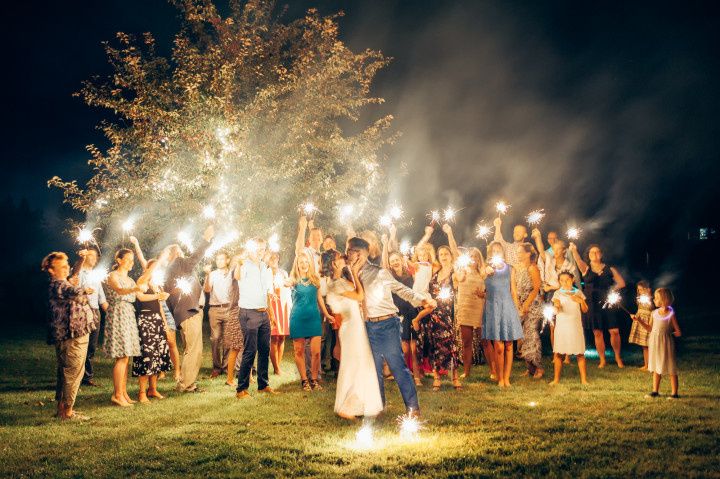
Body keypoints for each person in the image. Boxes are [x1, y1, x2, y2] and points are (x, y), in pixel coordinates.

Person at [347, 237, 436, 416]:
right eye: (349, 252)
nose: (351, 256)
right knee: (373, 369)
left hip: (387, 324)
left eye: (354, 252)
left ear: (363, 254)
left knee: (397, 366)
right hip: (368, 326)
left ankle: (413, 407)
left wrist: (423, 299)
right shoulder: (350, 274)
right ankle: (377, 406)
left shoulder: (379, 272)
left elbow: (400, 289)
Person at [322, 249, 384, 419]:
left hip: (357, 325)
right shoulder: (335, 284)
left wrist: (352, 273)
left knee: (363, 362)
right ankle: (346, 407)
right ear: (334, 263)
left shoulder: (341, 280)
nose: (344, 258)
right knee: (354, 364)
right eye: (340, 257)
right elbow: (359, 295)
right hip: (350, 328)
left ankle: (361, 403)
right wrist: (354, 273)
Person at [43, 252, 96, 420]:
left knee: (66, 372)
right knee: (73, 372)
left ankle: (62, 409)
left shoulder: (63, 281)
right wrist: (84, 289)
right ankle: (67, 412)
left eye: (67, 265)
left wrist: (81, 259)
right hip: (72, 336)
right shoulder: (58, 285)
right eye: (63, 267)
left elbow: (74, 273)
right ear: (51, 270)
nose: (67, 269)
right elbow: (70, 289)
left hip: (72, 334)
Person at [164, 224, 215, 392]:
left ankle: (186, 382)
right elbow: (195, 258)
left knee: (189, 349)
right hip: (188, 312)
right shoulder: (178, 264)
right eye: (179, 251)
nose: (181, 253)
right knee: (194, 349)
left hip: (183, 313)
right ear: (174, 255)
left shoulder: (170, 272)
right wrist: (206, 239)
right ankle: (186, 384)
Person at [129, 237, 181, 381]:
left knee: (171, 342)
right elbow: (141, 258)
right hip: (153, 312)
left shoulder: (161, 277)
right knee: (157, 343)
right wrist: (137, 244)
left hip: (165, 312)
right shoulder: (145, 279)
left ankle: (177, 371)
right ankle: (160, 371)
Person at [570, 243, 626, 368]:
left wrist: (612, 290)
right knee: (598, 332)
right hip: (592, 303)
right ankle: (602, 360)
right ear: (588, 255)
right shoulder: (586, 269)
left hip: (607, 303)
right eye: (591, 252)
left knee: (614, 331)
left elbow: (621, 283)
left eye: (597, 252)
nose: (594, 254)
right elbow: (578, 260)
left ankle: (618, 357)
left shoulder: (609, 269)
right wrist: (574, 250)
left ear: (601, 254)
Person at [235, 238, 278, 399]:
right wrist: (239, 263)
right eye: (258, 248)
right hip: (249, 312)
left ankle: (263, 384)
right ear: (251, 248)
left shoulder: (265, 267)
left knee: (264, 349)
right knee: (250, 350)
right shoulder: (244, 264)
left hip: (263, 313)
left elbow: (268, 288)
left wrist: (271, 300)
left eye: (263, 248)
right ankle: (241, 389)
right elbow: (238, 276)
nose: (261, 251)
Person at [104, 248, 144, 406]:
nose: (131, 262)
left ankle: (123, 392)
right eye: (127, 259)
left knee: (126, 356)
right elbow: (119, 291)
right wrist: (135, 289)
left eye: (132, 260)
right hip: (118, 314)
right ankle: (117, 395)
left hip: (128, 314)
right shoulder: (113, 276)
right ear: (119, 260)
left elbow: (139, 296)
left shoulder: (131, 280)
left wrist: (157, 295)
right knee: (121, 356)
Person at [289, 250, 334, 390]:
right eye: (301, 262)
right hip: (298, 318)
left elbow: (319, 298)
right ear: (297, 265)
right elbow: (287, 282)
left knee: (316, 352)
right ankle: (304, 380)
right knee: (299, 351)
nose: (304, 264)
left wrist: (326, 314)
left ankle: (314, 380)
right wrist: (286, 283)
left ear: (310, 263)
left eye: (306, 262)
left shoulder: (315, 278)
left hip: (314, 318)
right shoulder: (294, 279)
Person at [482, 241, 524, 387]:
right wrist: (485, 273)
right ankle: (500, 378)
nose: (496, 253)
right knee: (498, 346)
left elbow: (513, 290)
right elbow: (480, 286)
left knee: (508, 345)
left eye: (498, 251)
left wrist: (517, 308)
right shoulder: (486, 270)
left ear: (502, 253)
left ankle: (507, 378)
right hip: (493, 308)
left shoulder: (510, 269)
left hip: (507, 308)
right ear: (490, 254)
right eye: (493, 251)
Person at [132, 260, 172, 402]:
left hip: (157, 320)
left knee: (157, 355)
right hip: (145, 320)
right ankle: (142, 392)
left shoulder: (155, 284)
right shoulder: (141, 280)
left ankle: (153, 389)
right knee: (146, 355)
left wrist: (165, 324)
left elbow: (160, 306)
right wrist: (157, 295)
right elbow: (141, 297)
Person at [454, 247, 496, 381]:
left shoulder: (484, 273)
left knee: (485, 341)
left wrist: (483, 294)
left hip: (480, 309)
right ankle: (466, 371)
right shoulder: (462, 271)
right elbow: (455, 252)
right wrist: (449, 233)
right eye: (471, 256)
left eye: (476, 256)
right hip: (465, 308)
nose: (473, 259)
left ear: (479, 259)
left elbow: (494, 291)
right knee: (466, 342)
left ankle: (493, 370)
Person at [427, 244, 462, 390]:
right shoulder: (436, 271)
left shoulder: (454, 272)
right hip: (434, 312)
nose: (443, 256)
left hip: (447, 313)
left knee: (450, 345)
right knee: (435, 345)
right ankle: (437, 377)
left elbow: (460, 279)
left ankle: (455, 378)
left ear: (451, 255)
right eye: (441, 254)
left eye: (446, 254)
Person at [387, 250, 423, 386]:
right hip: (399, 313)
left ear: (401, 260)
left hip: (412, 312)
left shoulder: (410, 275)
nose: (395, 262)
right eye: (392, 261)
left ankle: (417, 377)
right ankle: (403, 374)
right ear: (390, 264)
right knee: (404, 347)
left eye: (397, 259)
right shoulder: (390, 278)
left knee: (414, 348)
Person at [74, 247, 109, 387]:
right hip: (82, 311)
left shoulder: (96, 275)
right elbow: (73, 287)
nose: (94, 258)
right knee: (81, 344)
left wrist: (112, 313)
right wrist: (83, 291)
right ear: (85, 256)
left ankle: (87, 377)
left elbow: (102, 298)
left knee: (92, 346)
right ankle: (78, 375)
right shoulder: (78, 272)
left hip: (95, 312)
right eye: (91, 255)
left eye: (96, 256)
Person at [638, 288, 681, 399]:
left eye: (656, 298)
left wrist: (672, 333)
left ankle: (674, 393)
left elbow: (678, 331)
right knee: (656, 366)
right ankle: (655, 391)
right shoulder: (653, 313)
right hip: (655, 342)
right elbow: (649, 328)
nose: (653, 300)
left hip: (666, 343)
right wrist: (639, 321)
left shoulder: (671, 314)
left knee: (671, 366)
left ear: (663, 300)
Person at [550, 271, 589, 385]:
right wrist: (557, 306)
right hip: (562, 327)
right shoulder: (557, 293)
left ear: (572, 279)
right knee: (558, 353)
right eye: (561, 280)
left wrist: (581, 301)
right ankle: (556, 379)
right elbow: (555, 309)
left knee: (580, 354)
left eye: (567, 280)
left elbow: (585, 310)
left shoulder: (578, 292)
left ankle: (584, 380)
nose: (564, 282)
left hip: (575, 326)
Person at [514, 243, 544, 379]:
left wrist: (526, 304)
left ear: (527, 254)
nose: (518, 254)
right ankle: (530, 367)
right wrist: (519, 304)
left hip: (533, 305)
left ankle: (538, 367)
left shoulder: (533, 268)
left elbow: (536, 287)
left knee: (531, 334)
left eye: (520, 252)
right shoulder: (518, 268)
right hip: (521, 304)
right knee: (523, 335)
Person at [204, 251, 234, 378]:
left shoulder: (232, 273)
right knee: (215, 339)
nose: (219, 261)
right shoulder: (212, 274)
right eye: (217, 259)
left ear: (227, 260)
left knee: (228, 340)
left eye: (222, 259)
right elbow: (207, 290)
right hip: (215, 309)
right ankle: (216, 368)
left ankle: (226, 366)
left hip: (228, 308)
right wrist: (207, 275)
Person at [268, 252, 291, 376]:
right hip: (272, 305)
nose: (273, 259)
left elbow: (287, 288)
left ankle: (278, 366)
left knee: (282, 337)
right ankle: (276, 368)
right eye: (271, 258)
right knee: (274, 337)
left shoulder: (283, 273)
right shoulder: (265, 272)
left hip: (283, 305)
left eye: (275, 257)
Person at [224, 253, 245, 386]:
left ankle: (248, 375)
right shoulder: (234, 274)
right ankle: (230, 379)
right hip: (236, 312)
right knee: (236, 347)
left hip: (247, 310)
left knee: (248, 347)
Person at [629, 281, 652, 370]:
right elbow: (640, 309)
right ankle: (646, 365)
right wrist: (635, 317)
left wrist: (649, 296)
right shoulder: (639, 299)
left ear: (647, 289)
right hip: (640, 320)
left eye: (642, 289)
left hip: (648, 321)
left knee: (649, 344)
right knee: (644, 345)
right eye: (639, 290)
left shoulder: (651, 299)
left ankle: (651, 365)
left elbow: (651, 308)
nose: (640, 292)